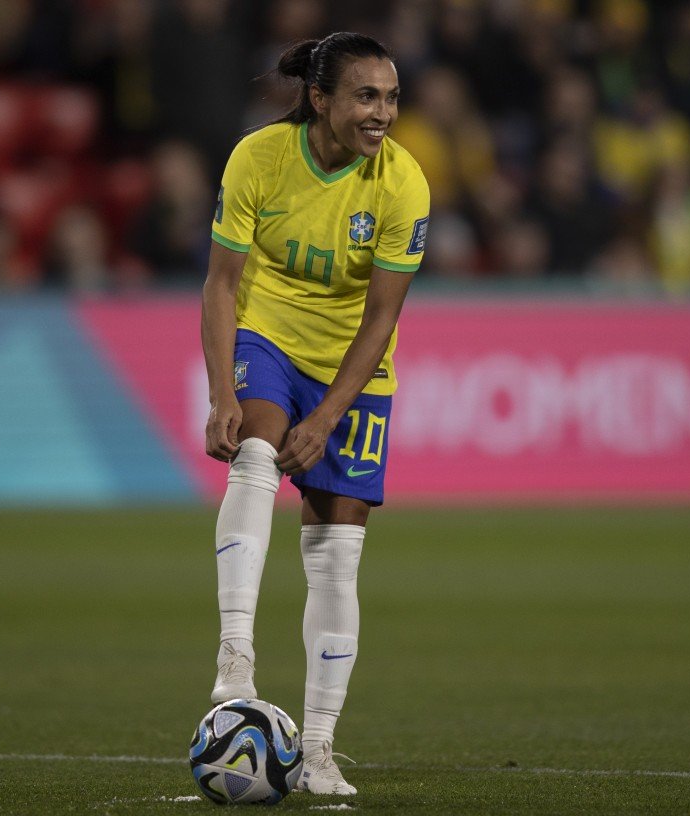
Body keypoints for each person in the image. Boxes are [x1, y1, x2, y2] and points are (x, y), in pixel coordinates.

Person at [201, 32, 429, 797]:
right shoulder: (258, 159)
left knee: (336, 556)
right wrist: (223, 396)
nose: (384, 114)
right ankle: (236, 655)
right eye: (368, 96)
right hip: (269, 335)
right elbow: (222, 286)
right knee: (257, 454)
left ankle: (320, 750)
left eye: (392, 97)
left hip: (354, 368)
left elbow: (379, 322)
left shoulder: (404, 186)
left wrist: (328, 416)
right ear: (322, 100)